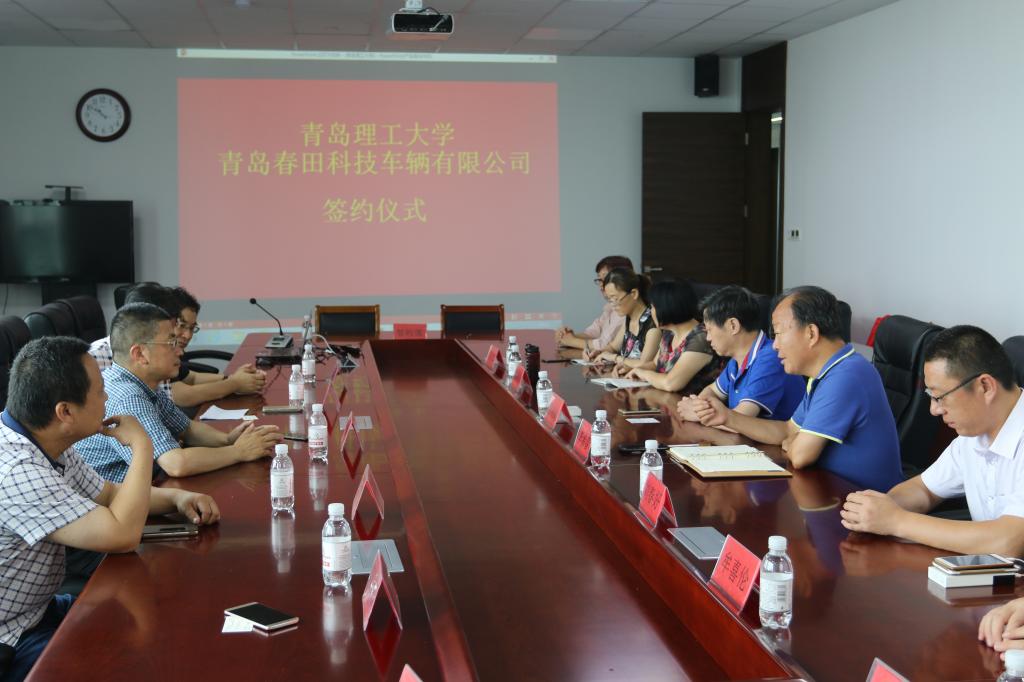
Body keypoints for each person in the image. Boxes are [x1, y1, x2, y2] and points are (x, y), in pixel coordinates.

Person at [0, 336, 220, 682]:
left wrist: (176, 498)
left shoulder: (46, 440)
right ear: (65, 412)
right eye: (100, 391)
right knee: (131, 661)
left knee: (164, 617)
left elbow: (107, 494)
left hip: (39, 609)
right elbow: (122, 535)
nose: (106, 399)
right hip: (11, 636)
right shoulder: (17, 471)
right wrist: (141, 444)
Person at [694, 285, 902, 491]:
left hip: (864, 502)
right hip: (830, 490)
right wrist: (727, 417)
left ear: (811, 333)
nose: (775, 345)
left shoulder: (847, 375)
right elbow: (787, 430)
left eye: (778, 333)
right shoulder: (823, 374)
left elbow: (800, 456)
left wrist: (795, 442)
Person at [840, 325, 1024, 556]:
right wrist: (877, 509)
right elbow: (924, 489)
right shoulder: (973, 434)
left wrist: (897, 521)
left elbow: (1008, 542)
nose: (934, 410)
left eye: (940, 397)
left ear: (985, 386)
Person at [75, 303, 281, 483]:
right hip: (117, 504)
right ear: (140, 354)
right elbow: (175, 464)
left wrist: (228, 439)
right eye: (171, 343)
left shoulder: (143, 384)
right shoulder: (127, 396)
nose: (180, 351)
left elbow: (187, 429)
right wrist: (238, 452)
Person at [677, 285, 803, 423]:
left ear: (733, 325)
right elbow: (711, 391)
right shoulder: (736, 361)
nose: (708, 338)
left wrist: (698, 415)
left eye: (709, 330)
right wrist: (700, 408)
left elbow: (742, 420)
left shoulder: (770, 357)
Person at [168, 286, 266, 408]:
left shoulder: (172, 352)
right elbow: (183, 396)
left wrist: (234, 378)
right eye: (182, 326)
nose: (188, 335)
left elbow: (192, 378)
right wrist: (235, 383)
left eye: (192, 328)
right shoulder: (157, 354)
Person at [622, 279, 722, 392]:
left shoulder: (701, 338)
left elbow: (671, 383)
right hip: (662, 398)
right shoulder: (669, 332)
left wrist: (642, 373)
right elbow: (655, 364)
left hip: (688, 401)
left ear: (666, 307)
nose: (651, 311)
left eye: (653, 307)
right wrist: (631, 369)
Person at [584, 268, 662, 369]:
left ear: (634, 294)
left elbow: (644, 364)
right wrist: (598, 353)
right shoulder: (629, 318)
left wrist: (615, 358)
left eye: (615, 299)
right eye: (609, 300)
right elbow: (613, 347)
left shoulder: (652, 324)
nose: (612, 305)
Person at [555, 256, 633, 353]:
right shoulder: (609, 307)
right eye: (599, 280)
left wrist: (572, 341)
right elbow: (593, 333)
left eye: (605, 279)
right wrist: (567, 336)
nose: (601, 285)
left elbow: (605, 345)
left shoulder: (625, 310)